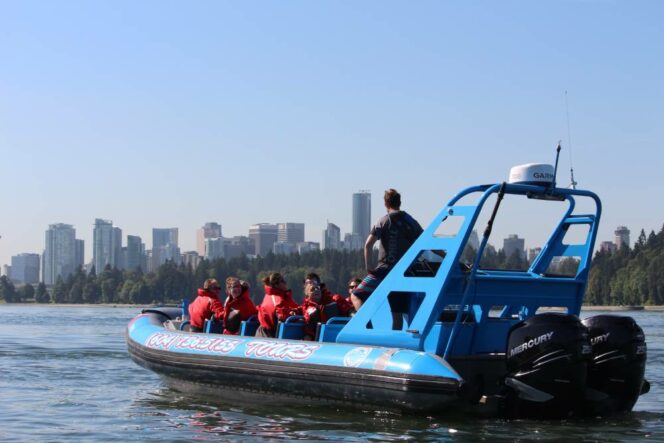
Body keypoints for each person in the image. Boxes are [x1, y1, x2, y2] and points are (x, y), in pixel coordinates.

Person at [352, 188, 423, 312]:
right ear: (400, 203)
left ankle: (366, 329)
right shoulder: (410, 221)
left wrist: (369, 267)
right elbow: (425, 241)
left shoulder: (383, 221)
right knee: (397, 315)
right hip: (402, 273)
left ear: (385, 204)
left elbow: (368, 244)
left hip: (384, 271)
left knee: (356, 295)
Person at [256, 272, 301, 338]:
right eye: (282, 281)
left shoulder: (283, 296)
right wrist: (292, 313)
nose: (285, 282)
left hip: (272, 331)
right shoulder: (276, 299)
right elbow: (282, 316)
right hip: (267, 334)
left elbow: (295, 307)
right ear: (276, 285)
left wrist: (296, 311)